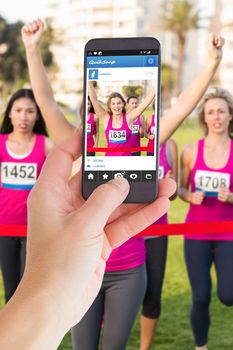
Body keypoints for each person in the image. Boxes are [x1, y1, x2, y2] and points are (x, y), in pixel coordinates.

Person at [21, 18, 224, 349]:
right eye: (107, 104)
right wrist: (32, 49)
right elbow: (47, 103)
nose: (114, 107)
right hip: (79, 269)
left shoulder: (139, 132)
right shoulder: (80, 142)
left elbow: (181, 107)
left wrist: (212, 63)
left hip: (129, 267)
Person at [0, 131, 176, 350]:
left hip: (127, 266)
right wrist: (49, 292)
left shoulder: (136, 141)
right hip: (84, 269)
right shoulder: (85, 150)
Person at [179, 87, 233, 350]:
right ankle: (201, 347)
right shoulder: (190, 151)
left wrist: (231, 197)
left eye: (221, 111)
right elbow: (179, 188)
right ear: (204, 117)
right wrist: (189, 197)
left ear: (230, 116)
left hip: (228, 234)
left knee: (228, 295)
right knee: (200, 297)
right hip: (197, 232)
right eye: (211, 112)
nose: (216, 117)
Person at [0, 88, 53, 303]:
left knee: (30, 289)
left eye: (30, 111)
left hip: (35, 229)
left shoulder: (46, 145)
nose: (23, 116)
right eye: (18, 110)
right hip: (5, 228)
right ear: (9, 113)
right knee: (11, 288)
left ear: (37, 115)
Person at [140, 139, 178, 350]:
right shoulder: (121, 138)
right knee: (113, 294)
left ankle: (144, 348)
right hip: (125, 232)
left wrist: (170, 184)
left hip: (157, 230)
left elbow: (174, 193)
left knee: (153, 294)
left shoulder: (169, 145)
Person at [88, 84, 155, 156]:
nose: (116, 106)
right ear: (110, 106)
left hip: (125, 161)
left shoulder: (128, 118)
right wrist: (89, 81)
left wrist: (155, 89)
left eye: (119, 103)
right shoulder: (106, 118)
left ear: (123, 104)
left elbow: (145, 103)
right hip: (110, 162)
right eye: (113, 104)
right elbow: (94, 100)